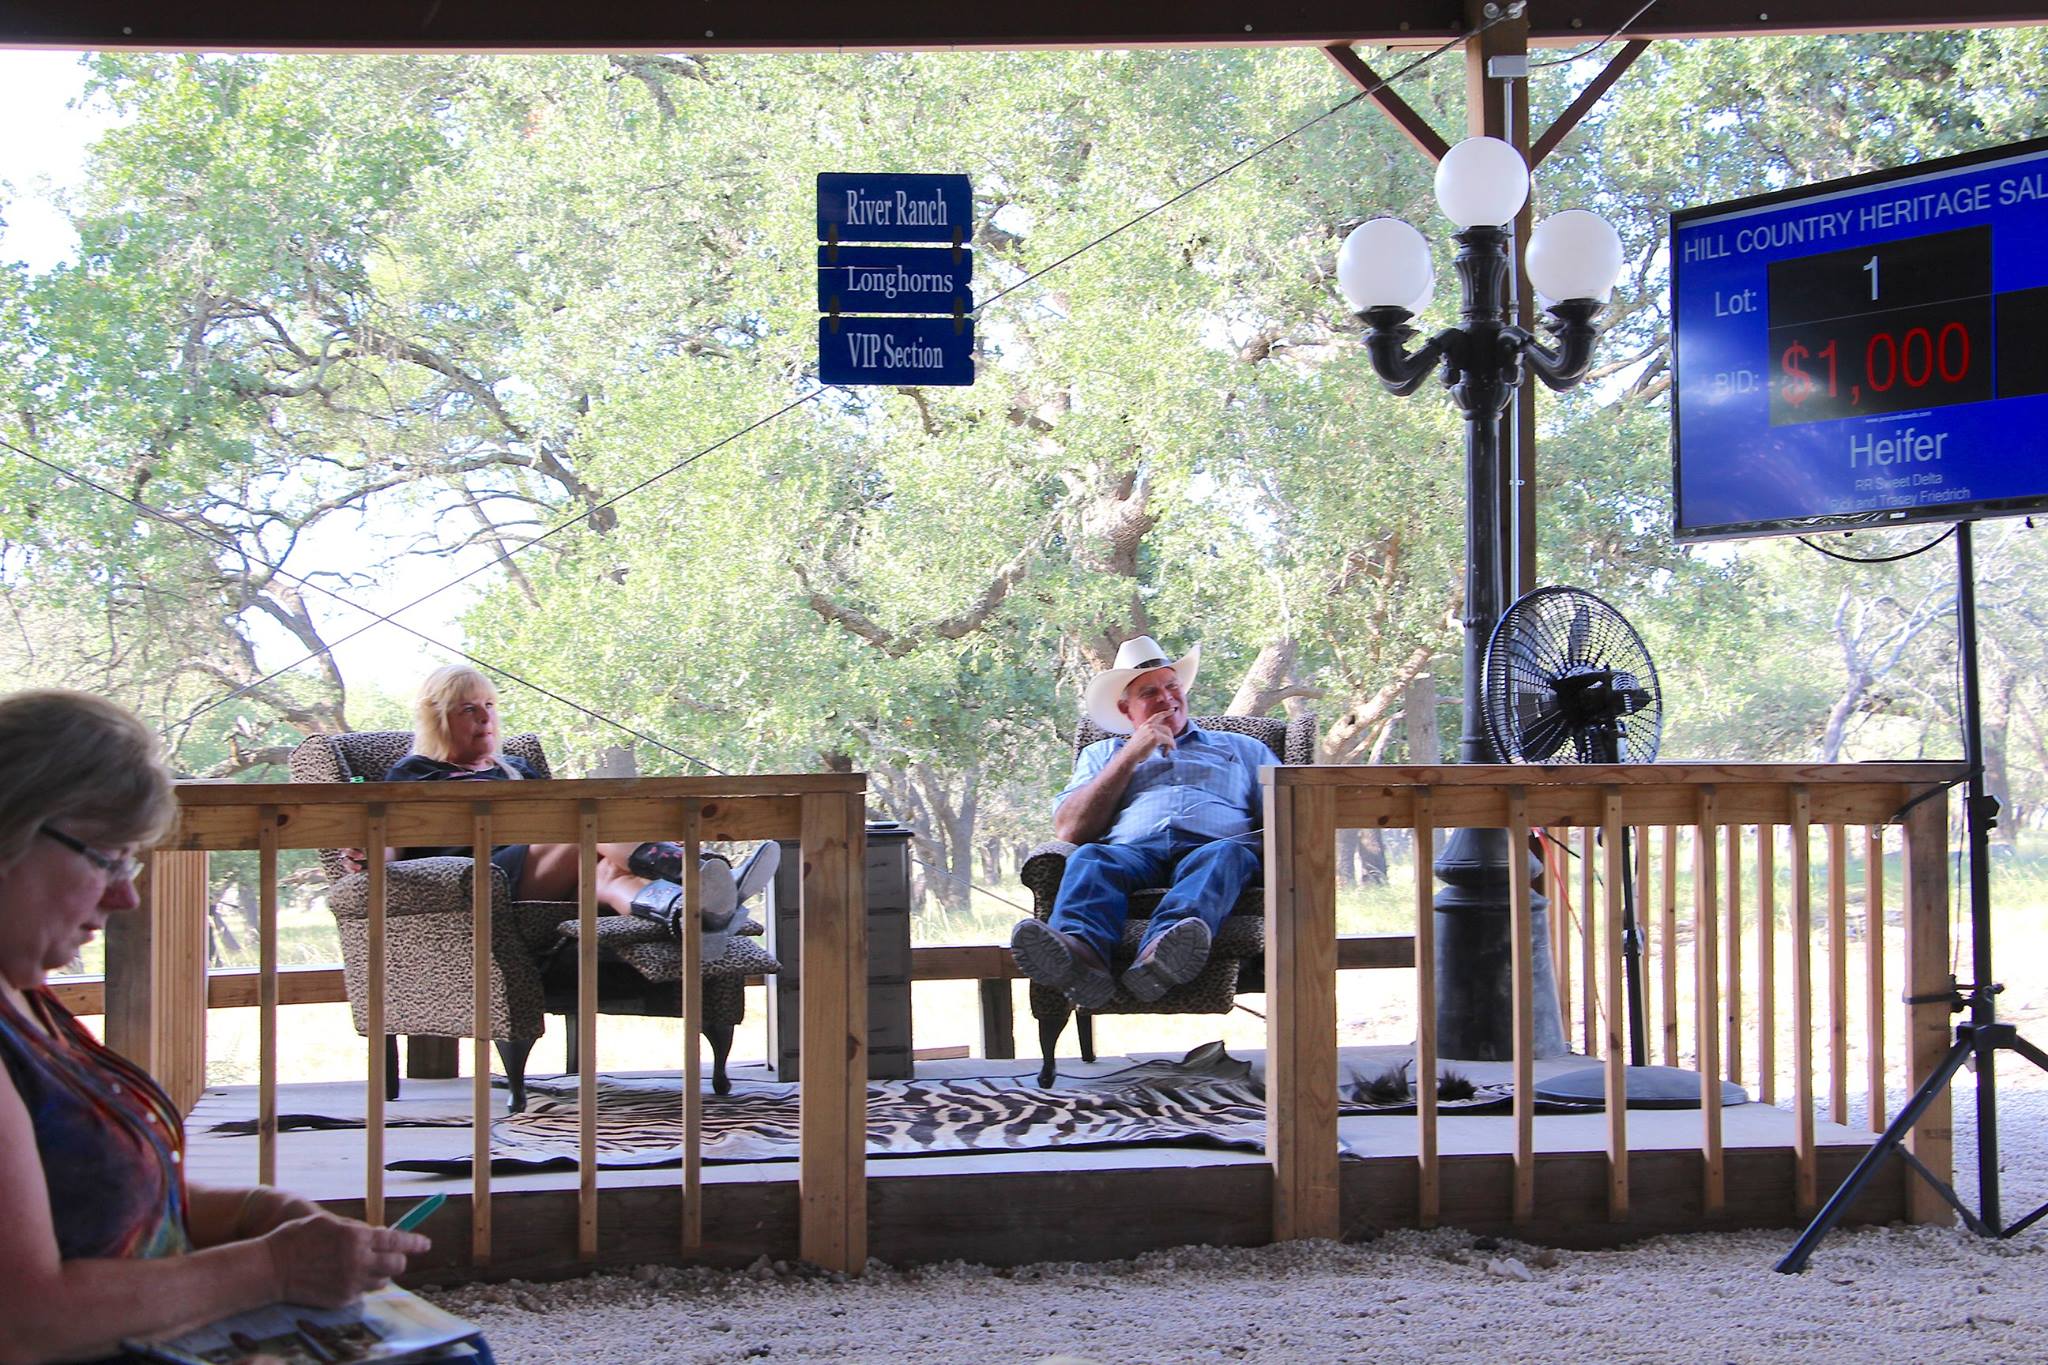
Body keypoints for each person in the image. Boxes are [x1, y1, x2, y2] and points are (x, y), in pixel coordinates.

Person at [0, 689, 435, 1364]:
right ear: (11, 828)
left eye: (131, 862)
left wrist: (257, 1212)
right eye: (108, 857)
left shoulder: (26, 996)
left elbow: (89, 1194)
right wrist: (270, 1268)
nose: (127, 894)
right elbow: (24, 1320)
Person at [345, 664, 751, 944]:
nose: (484, 718)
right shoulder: (413, 773)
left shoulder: (517, 768)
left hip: (550, 871)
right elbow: (390, 848)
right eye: (469, 709)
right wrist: (368, 853)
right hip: (486, 880)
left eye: (489, 706)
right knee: (588, 820)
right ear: (438, 718)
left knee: (608, 872)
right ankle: (701, 875)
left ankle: (688, 912)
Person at [1010, 635, 1271, 1009]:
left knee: (1227, 855)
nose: (1167, 699)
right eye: (1150, 693)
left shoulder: (1244, 748)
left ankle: (1160, 957)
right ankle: (1081, 963)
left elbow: (1288, 814)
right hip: (1133, 854)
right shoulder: (1103, 754)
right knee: (1091, 858)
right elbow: (1069, 830)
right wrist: (1130, 755)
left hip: (1212, 849)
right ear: (1125, 708)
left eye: (1172, 687)